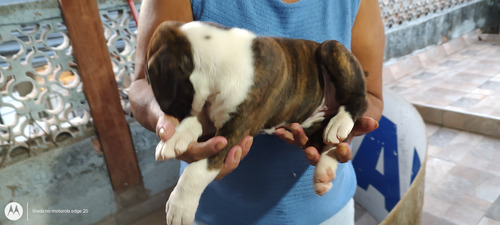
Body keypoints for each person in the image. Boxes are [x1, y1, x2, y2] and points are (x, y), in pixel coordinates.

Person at [129, 0, 384, 224]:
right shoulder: (211, 54)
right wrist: (166, 120)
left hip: (325, 211)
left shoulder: (243, 75)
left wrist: (347, 122)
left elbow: (369, 94)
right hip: (219, 213)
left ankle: (327, 149)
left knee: (333, 58)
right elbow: (144, 85)